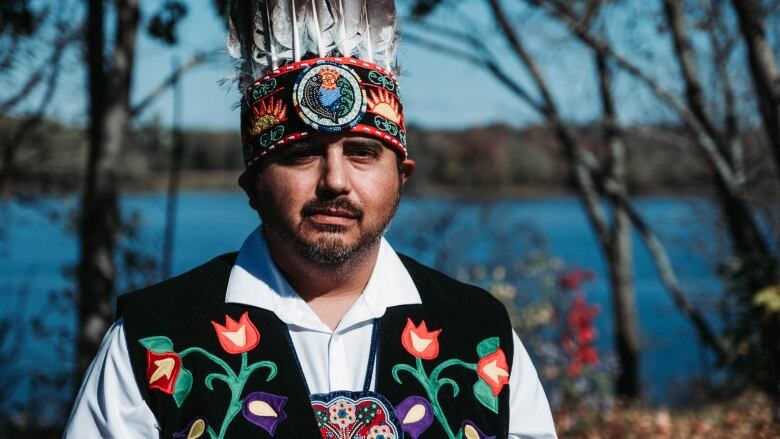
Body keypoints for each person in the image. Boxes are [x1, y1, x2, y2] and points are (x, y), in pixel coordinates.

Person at [65, 1, 557, 438]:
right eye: (301, 154)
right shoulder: (154, 340)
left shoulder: (481, 338)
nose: (335, 181)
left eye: (363, 153)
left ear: (401, 177)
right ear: (254, 182)